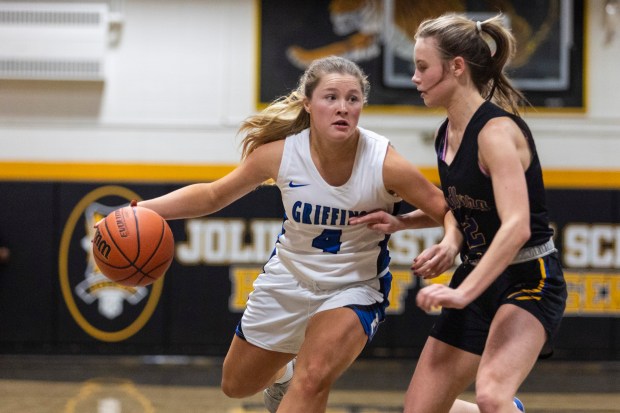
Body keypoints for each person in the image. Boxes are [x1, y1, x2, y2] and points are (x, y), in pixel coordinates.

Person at [131, 56, 461, 412]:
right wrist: (138, 210)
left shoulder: (382, 161)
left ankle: (297, 378)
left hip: (353, 287)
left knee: (313, 377)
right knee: (236, 384)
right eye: (330, 97)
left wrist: (445, 239)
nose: (342, 108)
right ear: (308, 103)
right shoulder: (281, 155)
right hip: (288, 280)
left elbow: (447, 209)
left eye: (353, 99)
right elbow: (213, 195)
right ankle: (281, 374)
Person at [350, 13, 567, 413]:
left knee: (491, 395)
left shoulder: (497, 133)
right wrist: (403, 221)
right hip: (477, 272)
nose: (414, 78)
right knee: (420, 408)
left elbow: (517, 225)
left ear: (457, 67)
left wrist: (462, 291)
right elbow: (461, 205)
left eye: (421, 67)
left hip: (528, 278)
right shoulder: (445, 133)